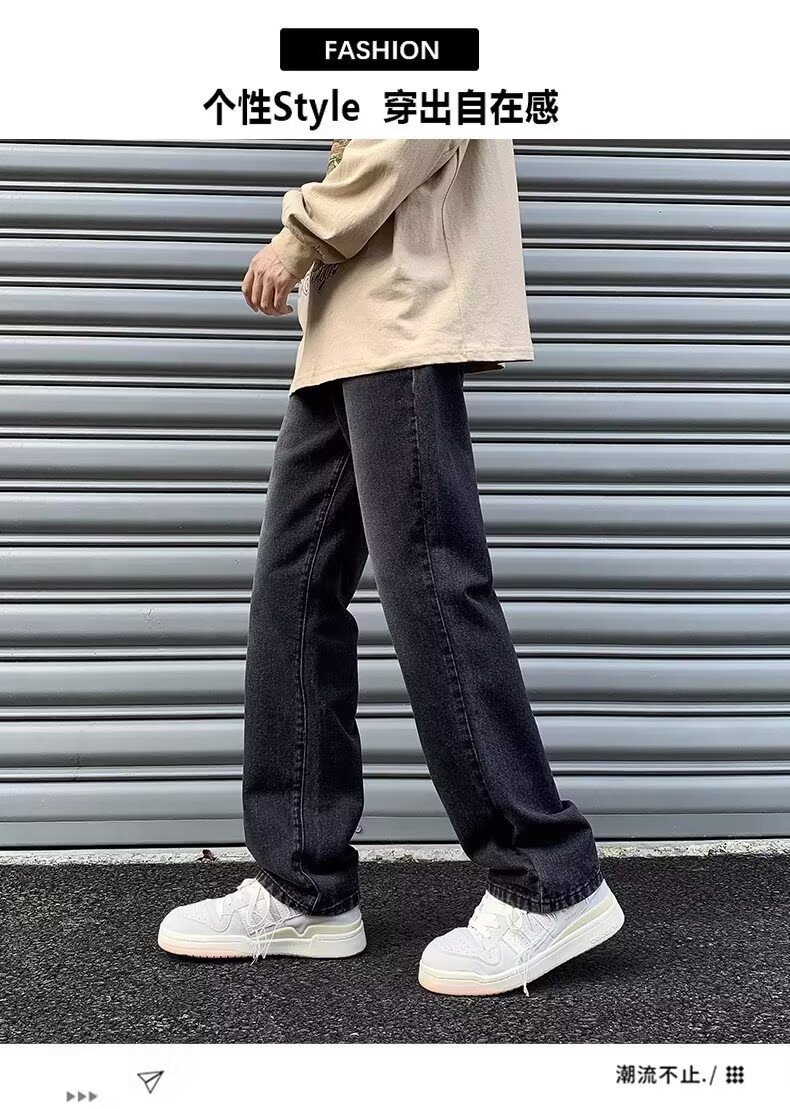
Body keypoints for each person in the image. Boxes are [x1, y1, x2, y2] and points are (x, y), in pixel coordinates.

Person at [158, 139, 624, 996]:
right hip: (347, 323)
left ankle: (547, 875)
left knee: (431, 585)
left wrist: (301, 235)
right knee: (292, 593)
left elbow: (415, 120)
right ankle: (304, 884)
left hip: (401, 309)